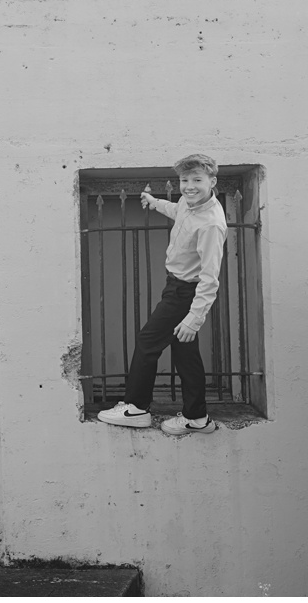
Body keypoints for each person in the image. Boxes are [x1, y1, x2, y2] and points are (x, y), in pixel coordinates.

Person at [98, 154, 228, 435]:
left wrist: (194, 318)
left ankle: (136, 408)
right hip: (176, 286)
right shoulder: (188, 203)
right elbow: (178, 210)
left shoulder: (211, 224)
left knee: (148, 342)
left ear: (212, 181)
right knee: (185, 354)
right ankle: (197, 418)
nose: (189, 186)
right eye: (185, 180)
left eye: (197, 180)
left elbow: (209, 279)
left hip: (185, 292)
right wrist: (156, 203)